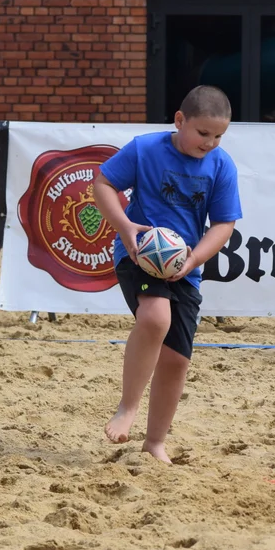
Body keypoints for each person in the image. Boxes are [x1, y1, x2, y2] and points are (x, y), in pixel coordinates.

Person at [93, 85, 242, 464]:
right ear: (180, 120)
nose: (210, 142)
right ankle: (127, 407)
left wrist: (193, 262)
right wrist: (126, 227)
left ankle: (155, 442)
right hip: (138, 255)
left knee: (177, 361)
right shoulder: (145, 149)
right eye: (203, 133)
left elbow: (224, 224)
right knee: (155, 317)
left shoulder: (221, 165)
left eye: (219, 135)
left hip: (183, 268)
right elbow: (103, 183)